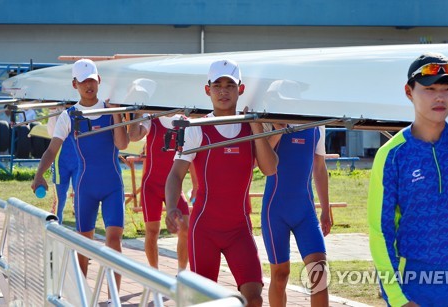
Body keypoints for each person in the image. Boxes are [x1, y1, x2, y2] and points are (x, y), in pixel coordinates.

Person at [368, 52, 448, 307]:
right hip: (414, 288)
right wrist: (398, 299)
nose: (440, 96)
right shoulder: (392, 155)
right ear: (409, 92)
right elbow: (380, 231)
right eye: (430, 89)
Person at [165, 59, 278, 307]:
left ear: (241, 89)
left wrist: (255, 124)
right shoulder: (197, 128)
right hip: (204, 229)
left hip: (239, 228)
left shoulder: (252, 127)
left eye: (230, 85)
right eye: (217, 85)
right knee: (202, 301)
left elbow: (270, 169)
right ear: (208, 90)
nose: (224, 91)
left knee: (254, 298)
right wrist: (171, 206)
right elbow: (175, 175)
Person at [31, 59, 129, 298]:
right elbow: (52, 150)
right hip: (86, 187)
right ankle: (82, 298)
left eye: (92, 81)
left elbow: (123, 144)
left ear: (99, 82)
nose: (89, 86)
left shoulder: (110, 109)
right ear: (75, 84)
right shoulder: (69, 116)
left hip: (113, 186)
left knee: (114, 241)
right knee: (84, 243)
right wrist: (39, 175)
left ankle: (113, 299)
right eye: (83, 82)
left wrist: (116, 113)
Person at [261, 123, 331, 307]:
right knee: (280, 275)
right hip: (275, 211)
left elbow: (319, 166)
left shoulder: (318, 123)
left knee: (319, 273)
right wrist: (278, 129)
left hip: (305, 212)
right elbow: (262, 161)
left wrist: (326, 208)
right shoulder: (272, 121)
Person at [128, 113, 191, 272]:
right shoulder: (151, 119)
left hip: (175, 187)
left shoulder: (183, 121)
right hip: (152, 187)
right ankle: (154, 274)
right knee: (152, 231)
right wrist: (135, 113)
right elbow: (134, 136)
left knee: (185, 229)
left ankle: (181, 274)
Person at [46, 107, 78, 224]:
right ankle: (57, 224)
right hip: (61, 163)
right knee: (60, 198)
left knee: (79, 194)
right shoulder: (61, 113)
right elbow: (51, 133)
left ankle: (82, 227)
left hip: (77, 163)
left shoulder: (80, 110)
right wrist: (52, 111)